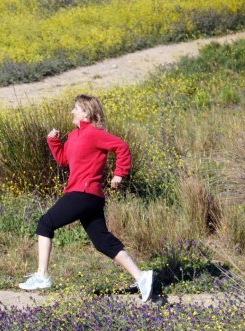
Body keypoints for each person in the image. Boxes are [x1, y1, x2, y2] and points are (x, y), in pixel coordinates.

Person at [18, 94, 153, 302]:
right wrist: (53, 141)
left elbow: (122, 147)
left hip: (83, 193)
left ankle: (42, 276)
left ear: (87, 113)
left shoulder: (94, 134)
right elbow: (64, 161)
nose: (72, 112)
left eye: (76, 109)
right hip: (89, 197)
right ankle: (142, 277)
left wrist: (119, 173)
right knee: (102, 241)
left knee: (45, 223)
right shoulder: (73, 136)